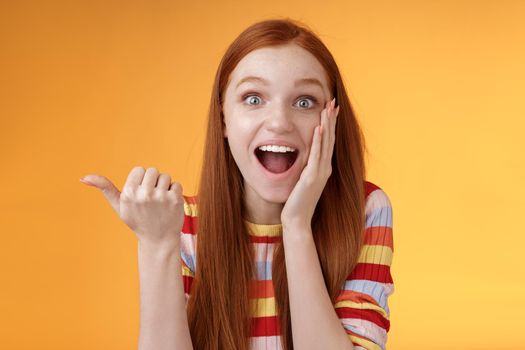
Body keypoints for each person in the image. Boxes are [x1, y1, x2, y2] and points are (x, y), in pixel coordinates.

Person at [80, 18, 394, 350]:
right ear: (224, 117)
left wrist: (296, 225)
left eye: (304, 102)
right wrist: (156, 245)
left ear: (332, 117)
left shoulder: (365, 211)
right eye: (253, 98)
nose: (279, 122)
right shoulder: (182, 224)